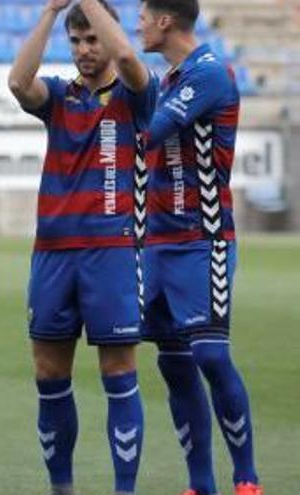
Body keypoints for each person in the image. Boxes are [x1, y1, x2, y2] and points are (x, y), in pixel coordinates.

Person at [8, 1, 159, 493]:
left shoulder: (137, 95)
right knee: (49, 373)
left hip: (111, 253)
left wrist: (95, 8)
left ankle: (124, 489)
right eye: (77, 41)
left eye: (92, 39)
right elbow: (17, 83)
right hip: (52, 253)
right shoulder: (58, 95)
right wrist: (52, 12)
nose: (84, 51)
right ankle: (62, 486)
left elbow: (132, 63)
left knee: (119, 370)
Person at [137, 1, 263, 494]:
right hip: (157, 243)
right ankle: (200, 485)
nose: (141, 26)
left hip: (203, 238)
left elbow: (153, 131)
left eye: (145, 17)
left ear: (166, 20)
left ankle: (247, 480)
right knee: (173, 362)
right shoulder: (168, 79)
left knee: (210, 354)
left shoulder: (209, 73)